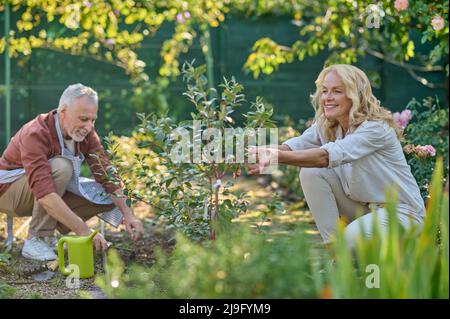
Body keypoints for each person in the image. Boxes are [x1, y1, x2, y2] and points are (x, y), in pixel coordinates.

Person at [248, 64, 425, 247]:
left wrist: (276, 157)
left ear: (355, 95)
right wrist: (251, 154)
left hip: (401, 214)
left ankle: (346, 254)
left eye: (337, 91)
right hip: (366, 208)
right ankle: (336, 255)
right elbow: (293, 147)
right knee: (311, 173)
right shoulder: (329, 124)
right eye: (324, 91)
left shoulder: (375, 128)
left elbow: (324, 157)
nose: (327, 98)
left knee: (347, 241)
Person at [0, 83, 144, 261]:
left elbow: (106, 174)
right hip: (8, 193)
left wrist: (128, 214)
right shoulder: (36, 133)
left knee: (105, 194)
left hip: (41, 192)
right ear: (63, 112)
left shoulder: (86, 133)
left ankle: (50, 234)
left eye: (93, 120)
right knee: (62, 166)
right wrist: (84, 231)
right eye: (83, 119)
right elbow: (44, 193)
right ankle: (36, 239)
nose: (89, 127)